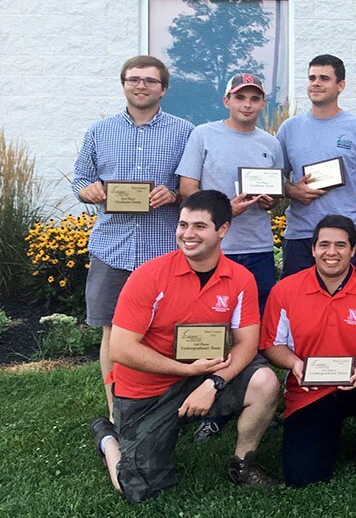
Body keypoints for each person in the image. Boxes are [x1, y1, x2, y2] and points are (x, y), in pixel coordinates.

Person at [89, 190, 280, 504]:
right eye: (183, 225)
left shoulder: (240, 279)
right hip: (147, 390)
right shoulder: (148, 277)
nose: (188, 234)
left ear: (223, 230)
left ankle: (243, 464)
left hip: (204, 376)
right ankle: (108, 438)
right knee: (138, 490)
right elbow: (121, 349)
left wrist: (212, 383)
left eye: (200, 226)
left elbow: (247, 344)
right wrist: (186, 370)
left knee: (264, 381)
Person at [73, 55, 194, 420]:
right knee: (113, 330)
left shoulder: (185, 131)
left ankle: (169, 406)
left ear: (164, 88)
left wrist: (172, 194)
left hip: (164, 250)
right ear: (123, 83)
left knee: (169, 328)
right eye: (134, 79)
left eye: (150, 81)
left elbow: (190, 188)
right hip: (112, 249)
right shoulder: (99, 131)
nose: (141, 86)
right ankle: (116, 410)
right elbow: (80, 180)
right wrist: (88, 191)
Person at [260, 215, 356, 486]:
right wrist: (294, 363)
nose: (332, 253)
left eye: (341, 245)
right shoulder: (285, 290)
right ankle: (323, 429)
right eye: (324, 245)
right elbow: (272, 344)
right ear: (313, 249)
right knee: (304, 477)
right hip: (310, 390)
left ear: (353, 250)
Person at [176, 73, 283, 442]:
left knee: (259, 330)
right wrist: (225, 211)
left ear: (261, 104)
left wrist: (272, 199)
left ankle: (260, 396)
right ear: (227, 101)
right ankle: (211, 405)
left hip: (258, 249)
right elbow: (188, 191)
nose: (247, 104)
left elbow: (277, 192)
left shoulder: (270, 142)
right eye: (240, 97)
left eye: (254, 98)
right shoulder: (203, 135)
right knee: (213, 331)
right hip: (216, 252)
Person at [277, 54, 356, 276]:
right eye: (311, 78)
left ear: (341, 85)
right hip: (300, 235)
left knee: (348, 306)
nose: (316, 83)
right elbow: (276, 177)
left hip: (344, 236)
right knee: (299, 306)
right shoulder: (289, 129)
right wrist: (294, 191)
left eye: (324, 78)